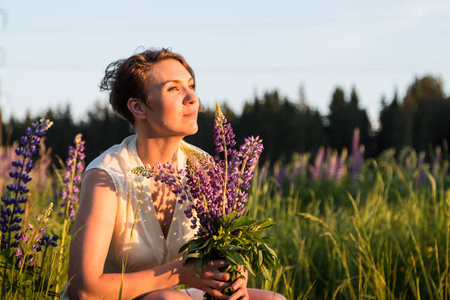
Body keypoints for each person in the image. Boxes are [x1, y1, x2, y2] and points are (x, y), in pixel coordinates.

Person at [68, 48, 286, 300]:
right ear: (138, 107)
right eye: (173, 88)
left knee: (273, 299)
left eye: (191, 86)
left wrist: (232, 274)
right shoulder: (107, 175)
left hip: (174, 296)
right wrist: (179, 274)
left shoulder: (202, 166)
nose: (192, 97)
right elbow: (83, 290)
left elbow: (218, 248)